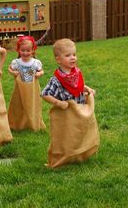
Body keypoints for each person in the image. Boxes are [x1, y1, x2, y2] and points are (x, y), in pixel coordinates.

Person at [41, 38, 100, 168]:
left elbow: (79, 86)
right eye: (68, 55)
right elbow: (45, 94)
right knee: (66, 136)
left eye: (74, 54)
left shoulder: (76, 72)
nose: (73, 58)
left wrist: (87, 89)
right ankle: (63, 156)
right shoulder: (56, 80)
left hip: (79, 110)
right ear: (58, 59)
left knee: (80, 133)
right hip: (66, 113)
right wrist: (58, 103)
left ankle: (79, 154)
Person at [8, 36, 46, 131]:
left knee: (32, 105)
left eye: (28, 50)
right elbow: (10, 69)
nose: (25, 53)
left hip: (32, 89)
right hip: (20, 89)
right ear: (18, 50)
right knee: (19, 105)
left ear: (33, 50)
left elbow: (42, 71)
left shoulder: (35, 62)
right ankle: (17, 123)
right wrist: (13, 72)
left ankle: (33, 123)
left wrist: (39, 73)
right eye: (23, 50)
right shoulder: (16, 62)